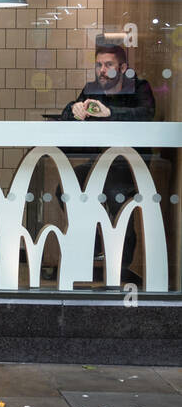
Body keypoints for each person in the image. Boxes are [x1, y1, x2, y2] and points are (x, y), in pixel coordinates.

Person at [60, 43, 155, 283]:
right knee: (66, 188)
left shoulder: (140, 88)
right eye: (99, 65)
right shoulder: (92, 89)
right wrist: (73, 110)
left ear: (122, 68)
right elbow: (67, 115)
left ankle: (122, 264)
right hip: (101, 161)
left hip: (132, 162)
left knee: (115, 193)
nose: (102, 70)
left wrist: (110, 113)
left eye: (109, 65)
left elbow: (145, 114)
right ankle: (95, 245)